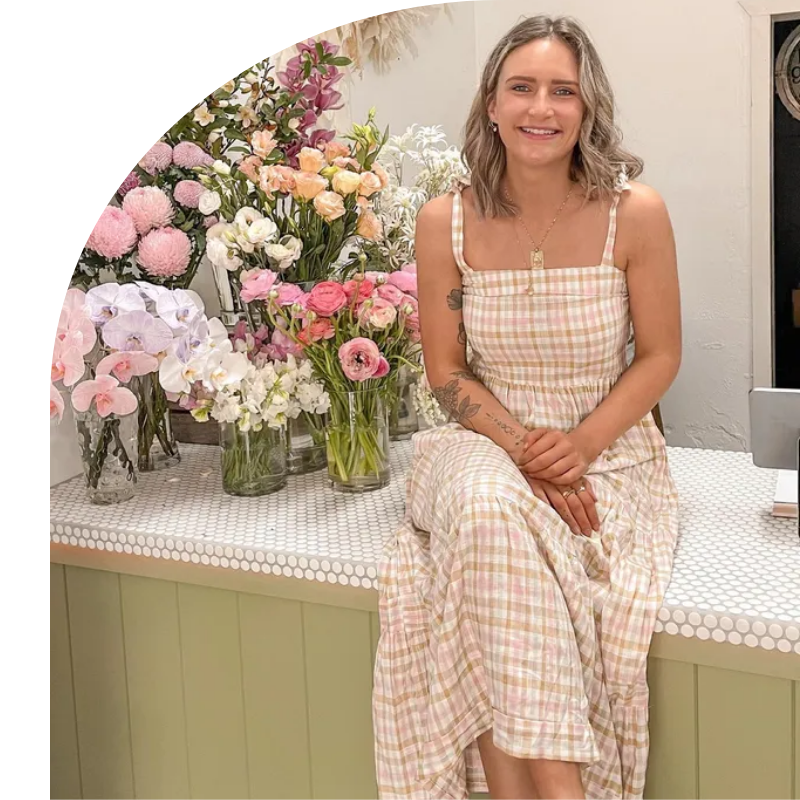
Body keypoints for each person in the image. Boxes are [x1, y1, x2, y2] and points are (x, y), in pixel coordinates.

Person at [372, 14, 682, 800]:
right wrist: (526, 449)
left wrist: (577, 446)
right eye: (522, 87)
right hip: (482, 438)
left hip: (608, 450)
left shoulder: (634, 211)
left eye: (562, 91)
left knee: (490, 552)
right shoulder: (445, 219)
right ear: (491, 103)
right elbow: (445, 372)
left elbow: (661, 357)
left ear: (587, 108)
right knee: (484, 509)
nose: (541, 107)